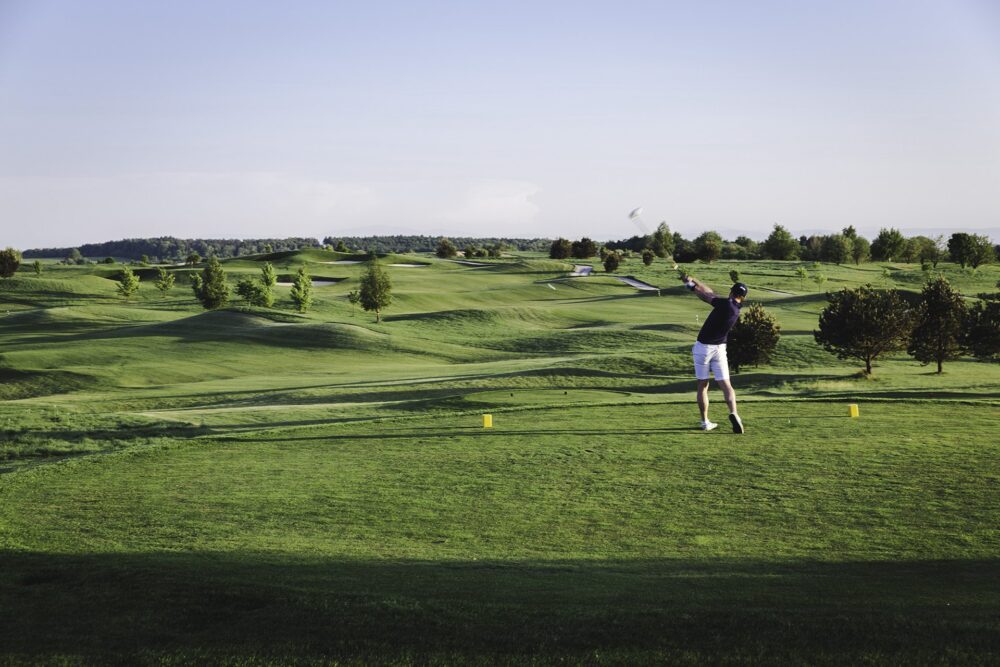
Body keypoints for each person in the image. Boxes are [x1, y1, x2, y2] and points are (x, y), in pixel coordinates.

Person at [680, 274, 748, 433]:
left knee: (703, 385)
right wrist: (694, 280)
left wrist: (690, 286)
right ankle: (734, 414)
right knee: (726, 385)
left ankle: (705, 422)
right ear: (742, 298)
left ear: (731, 292)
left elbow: (705, 296)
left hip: (703, 348)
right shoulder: (735, 308)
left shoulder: (726, 305)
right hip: (720, 349)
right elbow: (711, 294)